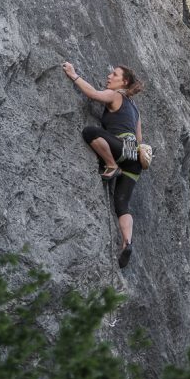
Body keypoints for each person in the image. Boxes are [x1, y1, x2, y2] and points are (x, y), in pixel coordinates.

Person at [62, 61, 145, 269]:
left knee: (90, 132)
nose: (109, 76)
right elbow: (140, 139)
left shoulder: (116, 95)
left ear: (123, 82)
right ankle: (127, 242)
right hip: (134, 158)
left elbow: (93, 94)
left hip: (121, 149)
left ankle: (111, 165)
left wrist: (73, 75)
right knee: (122, 205)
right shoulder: (136, 110)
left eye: (114, 74)